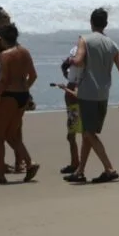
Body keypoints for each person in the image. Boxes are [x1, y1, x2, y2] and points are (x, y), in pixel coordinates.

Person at [64, 8, 119, 184]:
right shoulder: (112, 45)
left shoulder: (84, 39)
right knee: (88, 132)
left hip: (87, 93)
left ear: (91, 22)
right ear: (105, 24)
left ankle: (109, 168)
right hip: (103, 94)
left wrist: (68, 61)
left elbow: (77, 60)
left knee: (88, 133)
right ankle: (80, 171)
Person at [0, 23, 40, 184]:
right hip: (23, 96)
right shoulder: (25, 52)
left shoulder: (5, 56)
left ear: (2, 39)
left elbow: (3, 81)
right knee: (11, 134)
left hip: (8, 96)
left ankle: (0, 174)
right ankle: (29, 163)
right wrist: (25, 88)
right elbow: (33, 75)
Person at [0, 6, 25, 174]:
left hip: (15, 87)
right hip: (0, 88)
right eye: (4, 17)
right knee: (0, 127)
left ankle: (17, 161)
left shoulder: (10, 37)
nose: (8, 17)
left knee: (15, 125)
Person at [53, 44, 83, 175]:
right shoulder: (78, 72)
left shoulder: (77, 75)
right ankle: (75, 162)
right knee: (73, 136)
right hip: (73, 107)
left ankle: (75, 163)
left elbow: (76, 93)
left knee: (72, 136)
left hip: (74, 107)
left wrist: (64, 88)